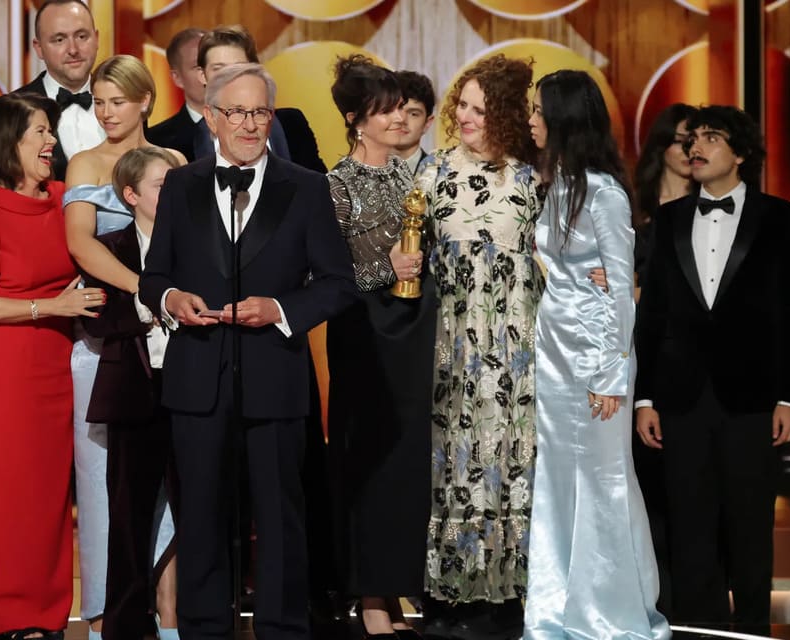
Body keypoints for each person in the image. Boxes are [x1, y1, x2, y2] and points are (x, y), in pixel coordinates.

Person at [138, 63, 357, 640]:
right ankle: (204, 628)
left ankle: (284, 627)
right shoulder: (181, 185)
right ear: (211, 117)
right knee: (202, 516)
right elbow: (152, 274)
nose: (250, 123)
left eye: (259, 111)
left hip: (274, 376)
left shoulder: (307, 186)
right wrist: (171, 297)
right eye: (236, 111)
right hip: (197, 377)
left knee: (281, 519)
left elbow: (337, 282)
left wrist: (281, 310)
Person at [634, 105, 790, 636]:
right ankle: (700, 628)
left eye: (712, 138)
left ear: (741, 154)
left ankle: (752, 629)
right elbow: (653, 315)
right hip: (680, 396)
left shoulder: (780, 218)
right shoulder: (667, 221)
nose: (696, 148)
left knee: (750, 520)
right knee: (690, 522)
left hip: (753, 395)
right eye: (693, 139)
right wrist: (645, 399)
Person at [523, 69, 670, 640]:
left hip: (594, 359)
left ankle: (609, 611)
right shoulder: (557, 185)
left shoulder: (604, 192)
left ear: (563, 119)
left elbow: (623, 291)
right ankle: (559, 606)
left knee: (604, 480)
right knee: (559, 482)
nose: (531, 120)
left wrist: (611, 375)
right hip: (555, 353)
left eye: (539, 111)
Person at [0, 92, 103, 640]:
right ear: (7, 143)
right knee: (7, 493)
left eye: (50, 132)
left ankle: (45, 615)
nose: (50, 143)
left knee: (49, 495)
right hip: (6, 363)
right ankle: (4, 614)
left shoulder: (65, 198)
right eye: (38, 133)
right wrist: (52, 306)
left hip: (57, 359)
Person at [413, 54, 543, 640]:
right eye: (460, 104)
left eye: (479, 108)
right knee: (455, 461)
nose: (463, 116)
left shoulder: (533, 179)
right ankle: (452, 590)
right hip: (452, 346)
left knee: (513, 458)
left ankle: (512, 591)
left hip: (521, 348)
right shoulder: (432, 174)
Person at [62, 53, 186, 640]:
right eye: (99, 102)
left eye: (117, 100)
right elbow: (83, 249)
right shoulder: (85, 162)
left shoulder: (176, 163)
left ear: (144, 101)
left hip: (177, 345)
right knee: (106, 483)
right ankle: (105, 615)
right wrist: (146, 289)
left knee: (175, 482)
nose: (107, 112)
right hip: (110, 339)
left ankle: (172, 614)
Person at [323, 55, 432, 640]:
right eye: (384, 110)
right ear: (354, 119)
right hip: (365, 337)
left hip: (417, 335)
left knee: (409, 464)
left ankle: (400, 584)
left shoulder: (412, 179)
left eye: (401, 108)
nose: (397, 119)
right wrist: (381, 269)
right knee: (367, 457)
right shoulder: (333, 186)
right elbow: (326, 275)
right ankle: (369, 594)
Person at [626, 102, 697, 617]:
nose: (693, 149)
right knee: (646, 478)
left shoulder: (717, 208)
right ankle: (655, 594)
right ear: (661, 147)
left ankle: (697, 596)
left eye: (701, 139)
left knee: (693, 483)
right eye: (683, 140)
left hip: (694, 359)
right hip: (635, 355)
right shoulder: (633, 208)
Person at [189, 25, 327, 172]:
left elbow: (319, 185)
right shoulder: (180, 141)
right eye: (219, 69)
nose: (230, 78)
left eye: (240, 68)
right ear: (202, 76)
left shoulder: (291, 125)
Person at [18, 0, 105, 181]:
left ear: (96, 39)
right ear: (39, 48)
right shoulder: (9, 111)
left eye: (82, 37)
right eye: (59, 40)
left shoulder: (128, 102)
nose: (73, 50)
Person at [633, 103, 697, 287]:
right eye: (679, 141)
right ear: (661, 145)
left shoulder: (708, 206)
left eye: (692, 142)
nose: (688, 151)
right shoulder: (634, 205)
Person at [148, 27, 208, 161]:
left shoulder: (248, 126)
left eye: (213, 64)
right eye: (198, 67)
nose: (208, 73)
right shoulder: (155, 143)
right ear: (177, 78)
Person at [392, 70, 436, 176]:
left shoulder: (440, 175)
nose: (402, 120)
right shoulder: (357, 172)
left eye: (413, 114)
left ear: (427, 123)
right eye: (396, 110)